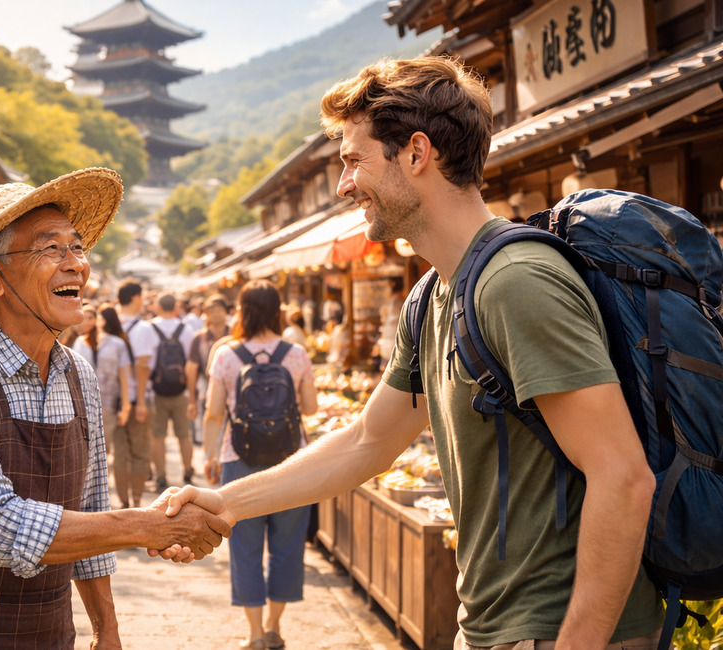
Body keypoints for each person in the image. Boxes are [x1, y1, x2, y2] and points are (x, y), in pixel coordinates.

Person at [160, 57, 663, 650]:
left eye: (354, 161)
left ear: (417, 153)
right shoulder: (435, 293)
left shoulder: (516, 281)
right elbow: (369, 441)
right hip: (491, 628)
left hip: (559, 631)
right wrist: (226, 501)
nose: (345, 184)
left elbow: (624, 477)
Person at [0, 168, 230, 649]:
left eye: (77, 247)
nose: (75, 264)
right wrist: (149, 525)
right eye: (49, 248)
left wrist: (106, 628)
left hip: (46, 634)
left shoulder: (76, 374)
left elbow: (92, 507)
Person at [201, 280, 317, 650]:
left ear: (242, 311)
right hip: (292, 464)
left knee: (245, 548)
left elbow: (213, 412)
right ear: (277, 311)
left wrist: (209, 456)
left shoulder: (226, 354)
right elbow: (311, 407)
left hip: (240, 460)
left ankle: (252, 635)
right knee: (287, 546)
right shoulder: (296, 353)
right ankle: (274, 627)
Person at [73, 304, 133, 505]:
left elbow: (124, 375)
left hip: (109, 405)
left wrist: (126, 404)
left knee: (108, 451)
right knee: (89, 452)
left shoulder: (117, 344)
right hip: (83, 405)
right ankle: (92, 496)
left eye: (93, 316)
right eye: (87, 316)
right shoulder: (79, 343)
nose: (89, 320)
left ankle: (110, 495)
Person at [115, 279, 157, 503]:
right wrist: (140, 401)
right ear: (136, 298)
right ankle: (138, 499)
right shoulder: (143, 328)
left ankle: (123, 502)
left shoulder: (107, 324)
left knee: (120, 453)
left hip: (113, 401)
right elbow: (142, 366)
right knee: (140, 451)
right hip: (136, 397)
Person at [149, 292, 197, 488]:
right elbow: (191, 363)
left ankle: (161, 476)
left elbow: (148, 362)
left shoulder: (150, 329)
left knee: (158, 435)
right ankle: (187, 472)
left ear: (158, 307)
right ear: (176, 308)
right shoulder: (186, 330)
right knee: (183, 435)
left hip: (157, 391)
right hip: (181, 391)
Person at [186, 294, 230, 445]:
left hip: (233, 394)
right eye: (212, 310)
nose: (216, 313)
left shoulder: (234, 335)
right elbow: (192, 370)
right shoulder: (199, 338)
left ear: (226, 312)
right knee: (212, 437)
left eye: (219, 309)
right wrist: (192, 399)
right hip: (208, 392)